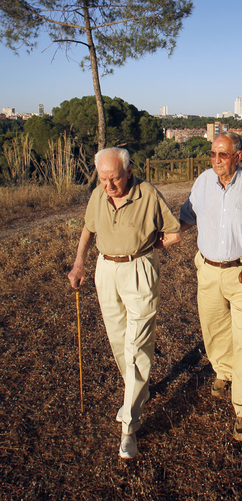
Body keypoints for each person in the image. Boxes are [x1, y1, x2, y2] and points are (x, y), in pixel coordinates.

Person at [68, 147, 181, 459]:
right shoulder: (97, 195)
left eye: (114, 178)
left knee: (136, 345)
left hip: (139, 269)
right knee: (119, 341)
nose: (108, 185)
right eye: (103, 178)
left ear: (129, 171)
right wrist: (79, 264)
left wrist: (155, 244)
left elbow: (174, 233)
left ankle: (129, 427)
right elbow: (88, 229)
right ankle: (137, 390)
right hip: (106, 270)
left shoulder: (147, 193)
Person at [180, 132, 242, 441]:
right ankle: (223, 371)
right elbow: (186, 219)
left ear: (238, 157)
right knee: (213, 330)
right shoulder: (202, 183)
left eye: (222, 155)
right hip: (208, 271)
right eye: (212, 154)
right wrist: (166, 236)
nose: (215, 160)